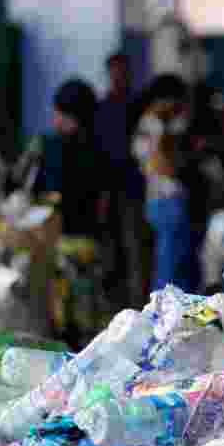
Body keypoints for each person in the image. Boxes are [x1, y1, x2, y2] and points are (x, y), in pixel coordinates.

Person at [132, 74, 204, 293]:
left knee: (175, 264)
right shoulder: (153, 125)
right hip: (165, 200)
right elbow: (161, 165)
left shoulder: (161, 124)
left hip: (165, 200)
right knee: (170, 268)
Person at [94, 52, 151, 307]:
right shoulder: (104, 107)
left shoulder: (138, 104)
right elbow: (101, 151)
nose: (119, 76)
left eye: (123, 70)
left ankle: (136, 305)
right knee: (112, 251)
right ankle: (114, 305)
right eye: (115, 71)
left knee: (134, 249)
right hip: (110, 189)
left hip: (133, 188)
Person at [33, 80, 110, 238]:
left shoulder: (47, 146)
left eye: (57, 112)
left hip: (53, 235)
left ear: (68, 115)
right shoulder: (100, 147)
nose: (55, 118)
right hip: (89, 238)